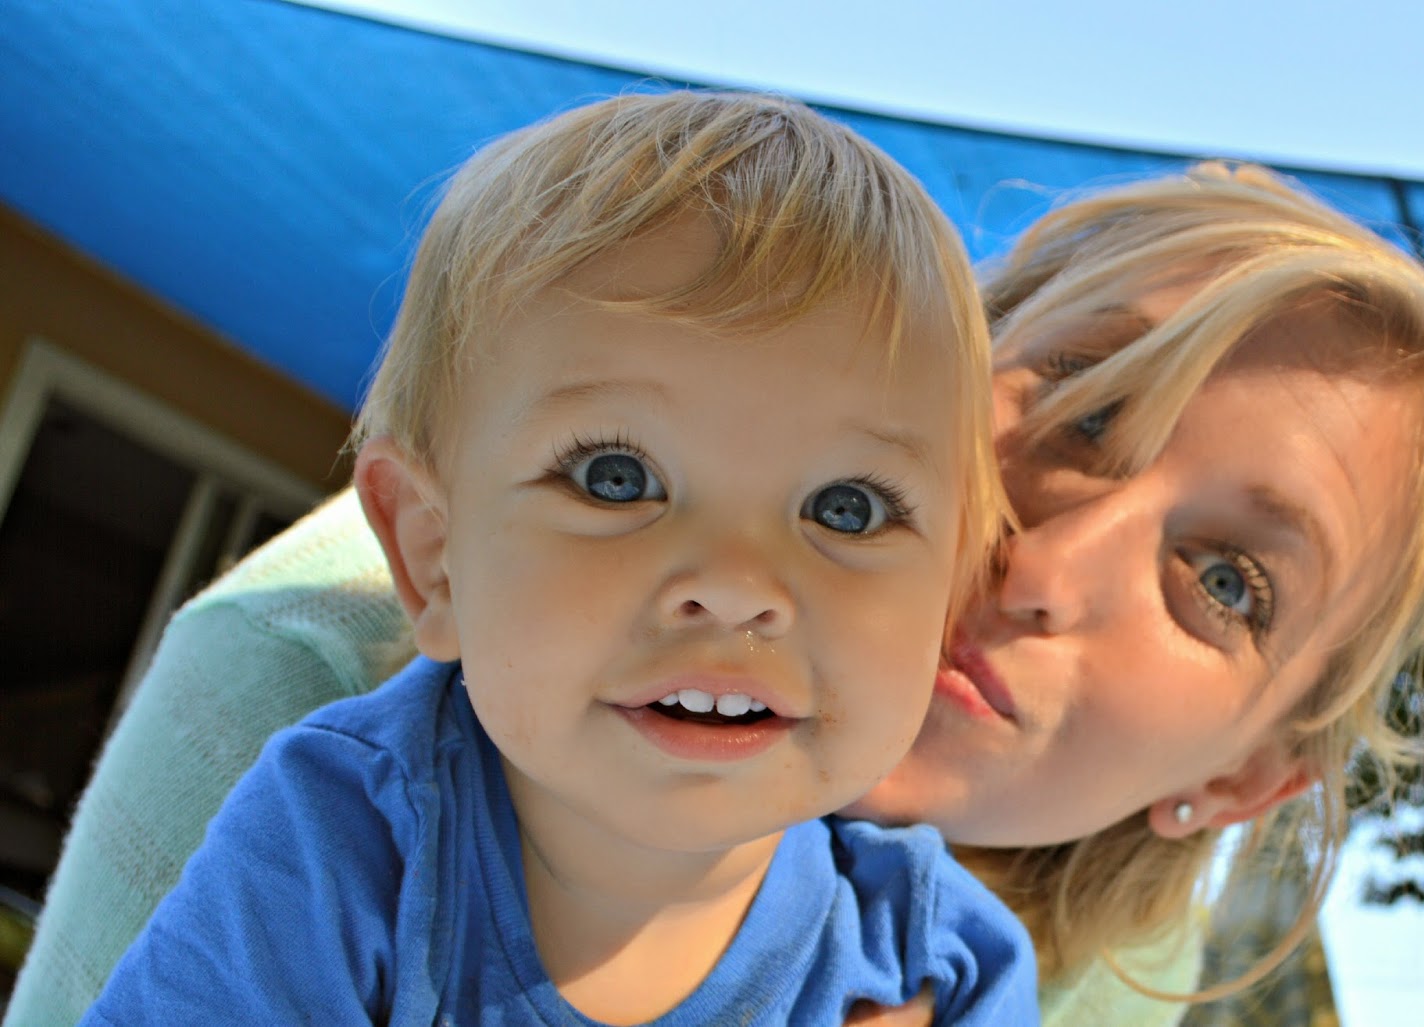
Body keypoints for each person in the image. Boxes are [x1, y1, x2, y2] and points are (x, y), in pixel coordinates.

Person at [8, 156, 1424, 1025]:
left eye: (1229, 581)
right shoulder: (332, 691)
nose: (1044, 565)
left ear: (1242, 777)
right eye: (1081, 404)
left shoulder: (1080, 982)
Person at [79, 91, 1038, 1024]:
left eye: (848, 508)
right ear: (433, 554)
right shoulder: (345, 841)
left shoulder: (945, 966)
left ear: (949, 596)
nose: (736, 586)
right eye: (616, 478)